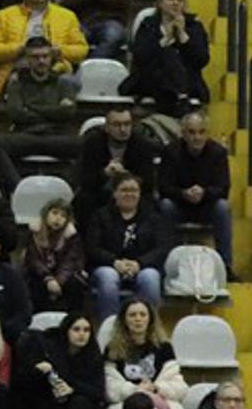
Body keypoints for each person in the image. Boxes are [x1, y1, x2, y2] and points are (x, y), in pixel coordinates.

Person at [0, 0, 88, 90]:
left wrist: (59, 51)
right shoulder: (5, 15)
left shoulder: (67, 16)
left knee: (68, 83)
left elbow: (81, 50)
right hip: (18, 70)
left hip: (55, 69)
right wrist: (19, 49)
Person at [18, 309, 103, 409]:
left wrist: (72, 389)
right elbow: (25, 382)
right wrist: (42, 371)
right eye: (76, 329)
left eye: (86, 330)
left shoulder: (93, 355)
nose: (82, 334)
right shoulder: (49, 349)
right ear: (66, 331)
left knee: (80, 405)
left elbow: (98, 392)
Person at [157, 108, 233, 272]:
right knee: (165, 206)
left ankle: (225, 266)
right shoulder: (170, 152)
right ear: (183, 134)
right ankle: (163, 263)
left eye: (201, 132)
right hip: (179, 205)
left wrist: (204, 193)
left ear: (207, 133)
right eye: (191, 132)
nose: (197, 137)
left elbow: (223, 188)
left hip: (207, 206)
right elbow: (163, 186)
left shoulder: (218, 153)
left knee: (222, 207)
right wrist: (183, 194)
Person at [104, 298, 187, 409]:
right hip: (126, 400)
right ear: (124, 320)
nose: (138, 319)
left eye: (143, 314)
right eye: (132, 315)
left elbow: (180, 387)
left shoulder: (164, 348)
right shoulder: (112, 349)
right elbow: (109, 387)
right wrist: (135, 390)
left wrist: (156, 388)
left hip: (157, 398)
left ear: (150, 319)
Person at [84, 173, 167, 320]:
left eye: (134, 190)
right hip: (108, 266)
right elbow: (92, 247)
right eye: (124, 190)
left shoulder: (153, 217)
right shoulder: (100, 216)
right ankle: (110, 326)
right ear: (114, 193)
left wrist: (139, 263)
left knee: (151, 278)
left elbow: (161, 249)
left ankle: (149, 326)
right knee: (108, 277)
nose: (129, 194)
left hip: (143, 267)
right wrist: (115, 262)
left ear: (140, 193)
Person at [0, 35, 82, 163]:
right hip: (26, 137)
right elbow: (15, 114)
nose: (41, 61)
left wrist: (30, 107)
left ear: (51, 57)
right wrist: (55, 111)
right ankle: (13, 178)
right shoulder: (17, 83)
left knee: (89, 143)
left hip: (56, 137)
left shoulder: (64, 82)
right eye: (35, 57)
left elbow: (69, 113)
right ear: (27, 59)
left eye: (45, 56)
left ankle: (70, 177)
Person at [127, 0, 211, 114]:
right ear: (160, 3)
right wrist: (166, 38)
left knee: (171, 56)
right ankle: (181, 97)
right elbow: (141, 56)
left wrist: (182, 34)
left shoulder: (194, 26)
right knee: (168, 54)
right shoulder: (149, 24)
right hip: (151, 77)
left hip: (188, 79)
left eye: (179, 0)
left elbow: (201, 60)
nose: (175, 3)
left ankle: (175, 98)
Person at [74, 104, 162, 215]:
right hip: (100, 192)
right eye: (117, 125)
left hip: (132, 192)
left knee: (150, 202)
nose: (123, 129)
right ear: (106, 127)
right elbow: (85, 180)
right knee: (84, 199)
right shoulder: (93, 143)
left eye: (127, 124)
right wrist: (104, 173)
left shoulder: (142, 145)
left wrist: (125, 176)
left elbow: (148, 182)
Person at [21, 199, 89, 314]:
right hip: (40, 273)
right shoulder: (35, 232)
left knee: (75, 284)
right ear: (46, 213)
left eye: (63, 216)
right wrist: (48, 279)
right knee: (33, 283)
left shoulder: (71, 236)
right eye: (55, 213)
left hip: (64, 273)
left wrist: (58, 281)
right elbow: (33, 259)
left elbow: (70, 261)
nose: (58, 218)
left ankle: (73, 317)